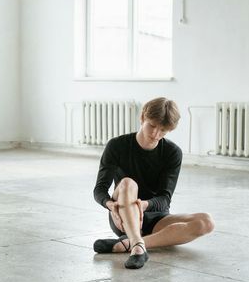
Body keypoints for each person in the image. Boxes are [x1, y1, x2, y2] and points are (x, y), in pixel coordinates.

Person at [92, 97, 215, 269]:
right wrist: (110, 205)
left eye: (163, 130)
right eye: (152, 126)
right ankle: (136, 244)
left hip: (155, 216)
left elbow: (165, 199)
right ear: (142, 117)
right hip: (124, 215)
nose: (156, 134)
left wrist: (143, 205)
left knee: (206, 222)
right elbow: (99, 189)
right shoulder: (117, 145)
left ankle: (132, 245)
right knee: (128, 183)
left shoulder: (173, 153)